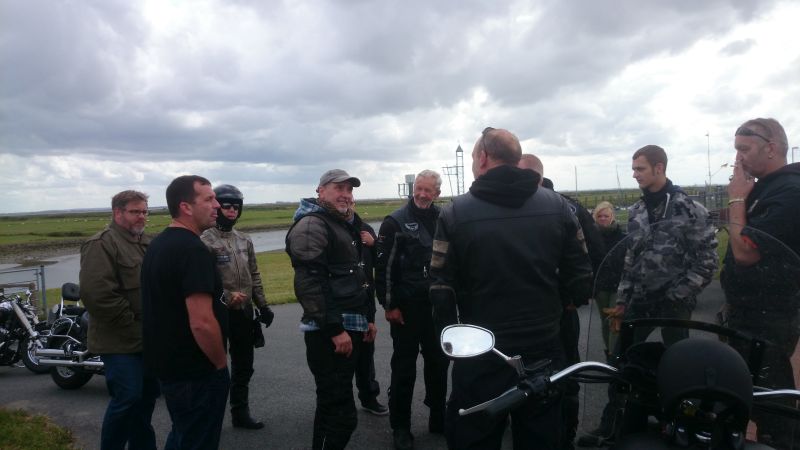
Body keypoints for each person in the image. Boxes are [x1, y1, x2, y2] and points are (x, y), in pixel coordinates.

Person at [430, 127, 593, 449]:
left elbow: (440, 288)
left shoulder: (455, 212)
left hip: (482, 349)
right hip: (544, 347)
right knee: (541, 437)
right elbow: (581, 277)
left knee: (474, 437)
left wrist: (451, 337)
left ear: (483, 158)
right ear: (516, 159)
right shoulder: (558, 205)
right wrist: (559, 306)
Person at [722, 118, 800, 448]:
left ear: (770, 149)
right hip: (748, 312)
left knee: (772, 404)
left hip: (770, 316)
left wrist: (737, 200)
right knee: (746, 395)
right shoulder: (765, 188)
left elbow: (744, 253)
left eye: (744, 149)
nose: (737, 158)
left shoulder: (790, 191)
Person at [285, 169, 376, 450]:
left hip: (349, 324)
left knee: (330, 405)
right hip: (330, 332)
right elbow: (310, 284)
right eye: (339, 188)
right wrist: (335, 329)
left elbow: (357, 276)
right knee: (341, 415)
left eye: (349, 190)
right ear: (320, 190)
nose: (345, 195)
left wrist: (367, 319)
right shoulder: (312, 225)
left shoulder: (339, 223)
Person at [518, 154, 602, 450]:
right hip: (525, 309)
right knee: (524, 369)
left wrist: (574, 297)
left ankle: (566, 432)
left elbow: (595, 253)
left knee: (565, 369)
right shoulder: (515, 206)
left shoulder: (566, 207)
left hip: (559, 309)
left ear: (536, 177)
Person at [141, 175, 229, 449]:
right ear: (186, 207)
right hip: (196, 371)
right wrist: (220, 364)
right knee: (198, 440)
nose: (217, 205)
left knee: (182, 434)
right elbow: (201, 322)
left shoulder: (159, 244)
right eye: (209, 199)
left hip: (170, 367)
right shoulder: (192, 250)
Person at [609, 145, 718, 345]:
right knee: (623, 355)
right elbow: (631, 259)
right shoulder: (636, 211)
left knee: (678, 357)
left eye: (640, 169)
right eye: (633, 169)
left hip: (675, 304)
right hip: (640, 300)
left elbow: (707, 262)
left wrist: (678, 295)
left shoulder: (690, 209)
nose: (634, 175)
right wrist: (623, 300)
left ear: (658, 168)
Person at [79, 190, 159, 450]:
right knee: (128, 397)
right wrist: (132, 324)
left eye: (145, 211)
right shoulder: (101, 244)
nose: (142, 217)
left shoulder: (146, 243)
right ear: (118, 212)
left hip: (146, 338)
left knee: (146, 398)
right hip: (118, 340)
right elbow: (97, 295)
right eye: (135, 212)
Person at [375, 169, 449, 450]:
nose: (421, 194)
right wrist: (389, 305)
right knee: (404, 368)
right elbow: (383, 269)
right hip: (406, 309)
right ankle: (400, 427)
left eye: (428, 190)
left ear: (437, 193)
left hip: (436, 307)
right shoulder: (394, 222)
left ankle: (438, 417)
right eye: (418, 188)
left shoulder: (445, 218)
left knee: (439, 363)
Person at [201, 184, 275, 430]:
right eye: (227, 205)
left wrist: (263, 305)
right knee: (215, 365)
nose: (232, 210)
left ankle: (240, 412)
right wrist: (226, 296)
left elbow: (254, 274)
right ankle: (209, 418)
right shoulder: (205, 240)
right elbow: (204, 281)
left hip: (244, 312)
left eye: (236, 206)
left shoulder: (244, 239)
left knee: (244, 365)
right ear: (217, 207)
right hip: (218, 313)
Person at [352, 202, 389, 417]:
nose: (348, 204)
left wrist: (374, 244)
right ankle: (341, 404)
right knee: (342, 358)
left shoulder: (365, 228)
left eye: (352, 201)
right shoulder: (331, 229)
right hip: (343, 302)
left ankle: (369, 397)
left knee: (366, 354)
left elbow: (379, 262)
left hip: (366, 301)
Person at [590, 201, 626, 356]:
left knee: (615, 320)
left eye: (606, 215)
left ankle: (614, 356)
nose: (603, 218)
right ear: (595, 217)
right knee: (605, 321)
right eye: (600, 216)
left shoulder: (623, 237)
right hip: (601, 286)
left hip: (619, 285)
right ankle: (609, 353)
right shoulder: (591, 238)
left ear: (612, 216)